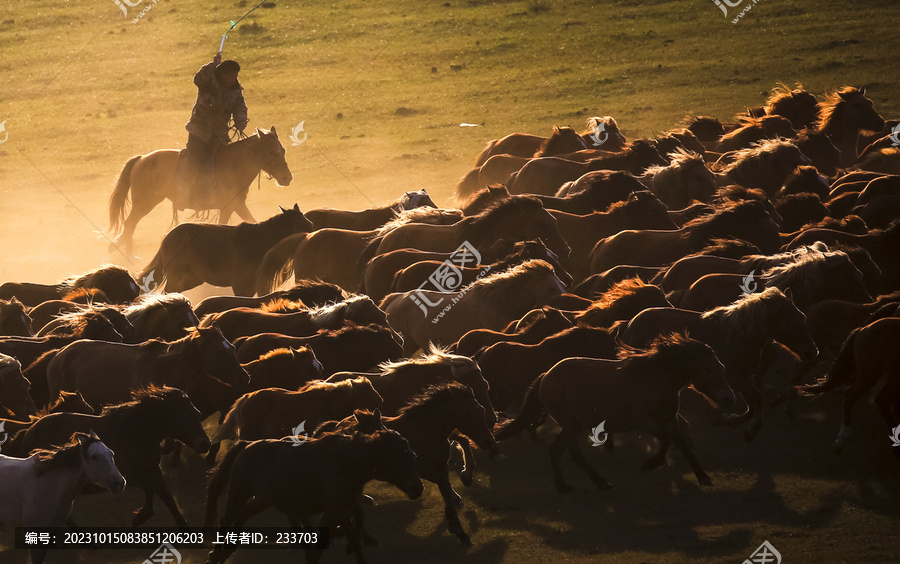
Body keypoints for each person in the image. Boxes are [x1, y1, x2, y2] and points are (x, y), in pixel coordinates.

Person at [175, 52, 248, 207]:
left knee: (226, 162)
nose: (232, 80)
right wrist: (211, 66)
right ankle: (182, 194)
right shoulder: (208, 82)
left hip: (219, 135)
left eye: (235, 76)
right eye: (230, 76)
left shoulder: (236, 90)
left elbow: (240, 106)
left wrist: (241, 120)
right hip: (199, 131)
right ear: (222, 74)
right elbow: (197, 79)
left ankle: (220, 193)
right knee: (195, 161)